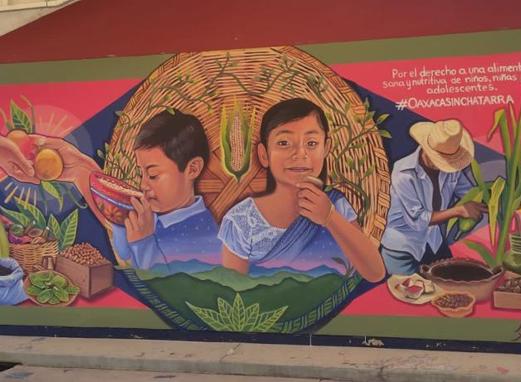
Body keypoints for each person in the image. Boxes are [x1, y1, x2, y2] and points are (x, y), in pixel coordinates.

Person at [218, 98, 385, 282]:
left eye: (311, 143)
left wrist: (330, 218)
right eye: (283, 143)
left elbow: (375, 273)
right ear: (264, 155)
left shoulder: (335, 204)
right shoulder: (241, 220)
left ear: (326, 148)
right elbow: (232, 289)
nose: (300, 153)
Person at [34, 110, 222, 272]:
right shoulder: (155, 214)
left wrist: (143, 242)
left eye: (154, 175)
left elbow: (164, 287)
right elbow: (123, 250)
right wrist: (80, 169)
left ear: (193, 169)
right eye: (142, 174)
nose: (143, 185)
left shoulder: (202, 235)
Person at [380, 119, 487, 275]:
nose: (446, 165)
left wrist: (485, 202)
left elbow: (469, 192)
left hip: (433, 243)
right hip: (402, 250)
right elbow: (417, 220)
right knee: (408, 294)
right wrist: (459, 211)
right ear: (426, 149)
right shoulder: (404, 173)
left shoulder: (452, 168)